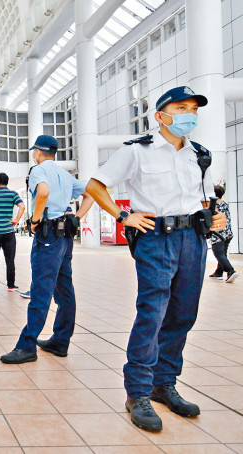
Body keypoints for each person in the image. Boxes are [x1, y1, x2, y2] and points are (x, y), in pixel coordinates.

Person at [85, 86, 226, 432]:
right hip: (156, 238)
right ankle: (138, 392)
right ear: (160, 115)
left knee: (183, 314)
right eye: (181, 107)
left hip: (193, 239)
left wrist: (215, 216)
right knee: (153, 313)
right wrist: (123, 217)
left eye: (193, 108)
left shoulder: (200, 154)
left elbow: (204, 200)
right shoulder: (137, 152)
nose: (189, 114)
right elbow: (95, 185)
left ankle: (164, 384)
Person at [0, 136, 92, 362]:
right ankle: (61, 341)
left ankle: (27, 346)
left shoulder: (38, 171)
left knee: (41, 288)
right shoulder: (66, 175)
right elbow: (91, 193)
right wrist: (77, 218)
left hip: (48, 234)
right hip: (65, 236)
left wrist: (35, 220)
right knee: (64, 288)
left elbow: (42, 193)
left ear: (38, 152)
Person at [209, 185, 237, 283]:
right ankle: (218, 272)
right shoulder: (225, 204)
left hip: (218, 233)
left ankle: (230, 271)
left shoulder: (213, 206)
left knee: (218, 253)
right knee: (223, 253)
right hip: (228, 233)